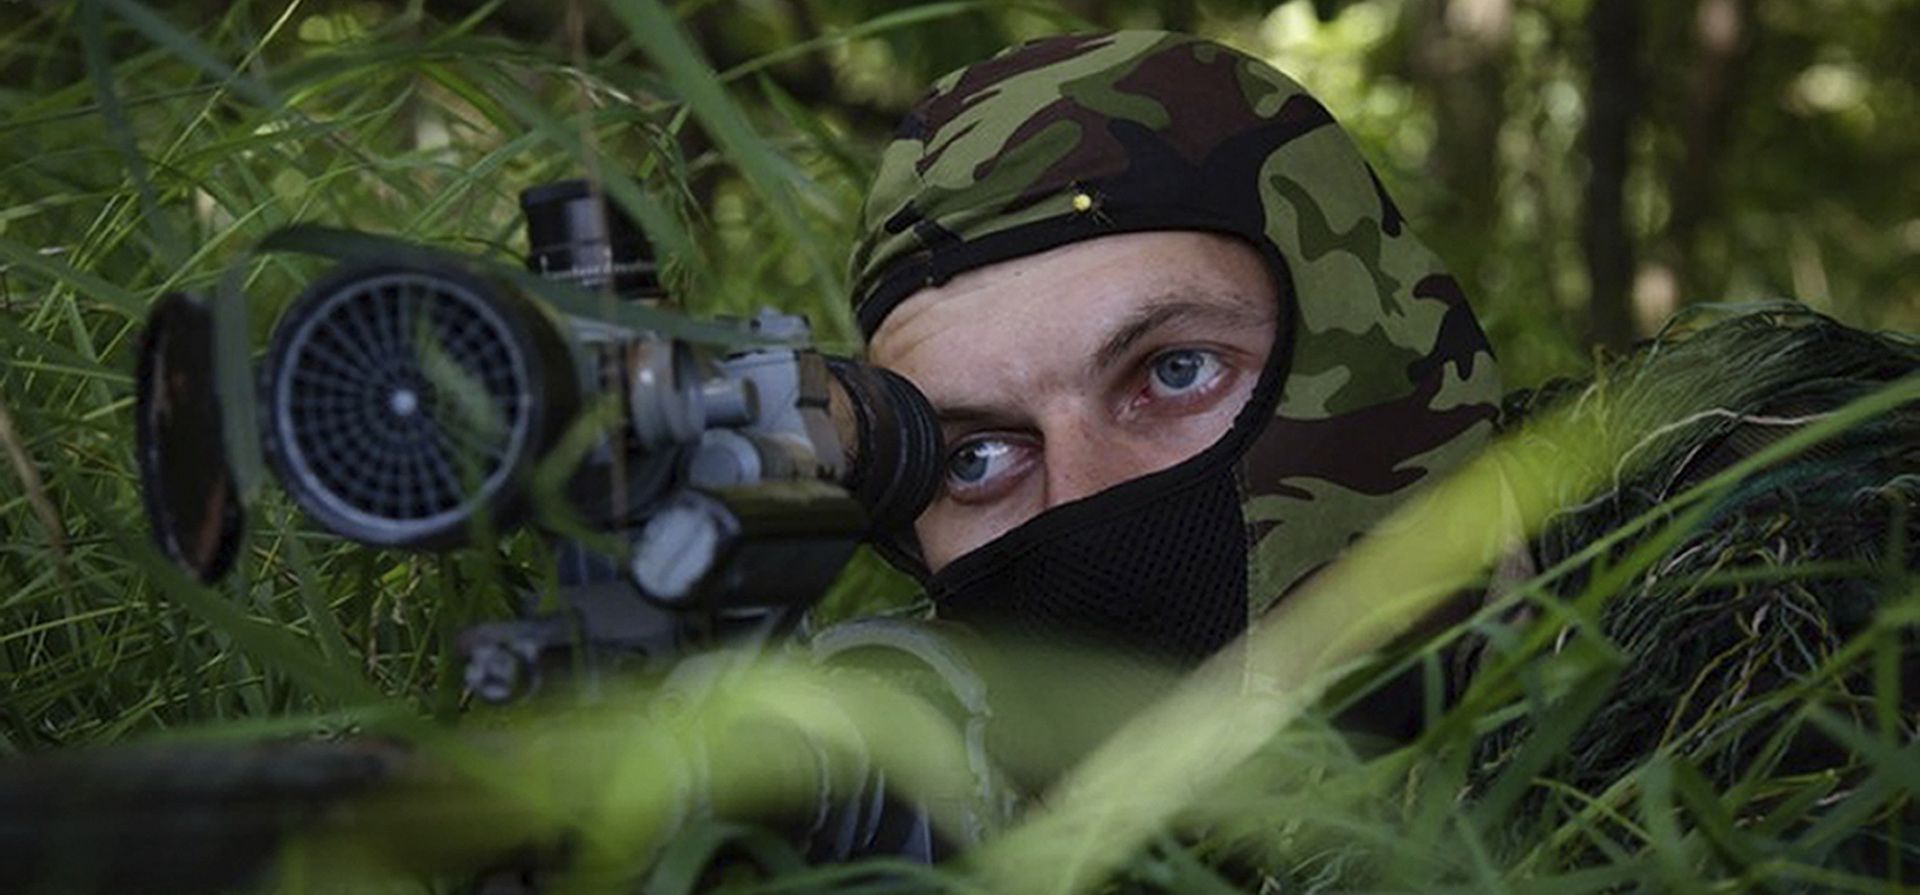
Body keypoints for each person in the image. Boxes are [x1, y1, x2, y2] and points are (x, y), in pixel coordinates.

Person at [824, 28, 1918, 881]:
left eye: (1174, 372)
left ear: (1376, 340)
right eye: (972, 459)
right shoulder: (863, 793)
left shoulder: (1796, 578)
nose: (1086, 499)